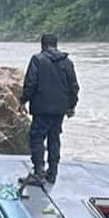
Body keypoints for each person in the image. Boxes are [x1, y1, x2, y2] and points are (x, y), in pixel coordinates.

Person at [20, 33, 79, 185]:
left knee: (37, 138)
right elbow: (74, 86)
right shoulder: (67, 62)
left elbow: (31, 83)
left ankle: (38, 173)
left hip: (41, 108)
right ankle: (52, 173)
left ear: (42, 45)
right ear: (56, 44)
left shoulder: (37, 60)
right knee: (54, 138)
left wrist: (23, 101)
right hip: (60, 109)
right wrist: (72, 106)